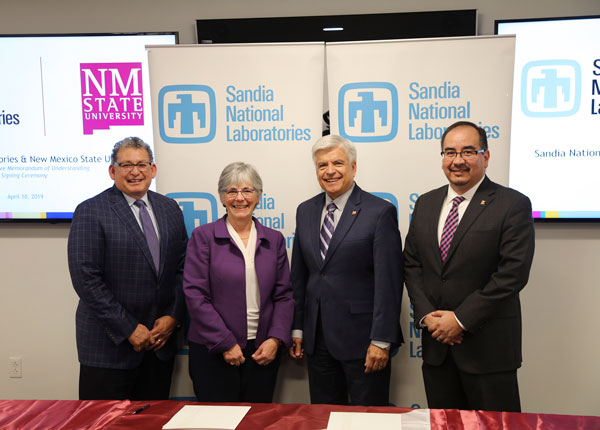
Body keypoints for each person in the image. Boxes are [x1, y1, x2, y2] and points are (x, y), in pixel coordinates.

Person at [403, 120, 535, 412]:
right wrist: (427, 316)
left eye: (467, 152)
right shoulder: (425, 203)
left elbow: (512, 274)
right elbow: (412, 264)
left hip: (488, 351)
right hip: (437, 350)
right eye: (449, 152)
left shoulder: (512, 204)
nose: (458, 160)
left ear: (485, 157)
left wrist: (460, 319)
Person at [67, 136, 188, 400]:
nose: (135, 171)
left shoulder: (170, 209)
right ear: (112, 171)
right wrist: (128, 328)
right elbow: (86, 279)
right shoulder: (91, 211)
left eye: (142, 164)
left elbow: (182, 269)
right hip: (109, 348)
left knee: (153, 423)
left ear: (153, 170)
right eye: (126, 165)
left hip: (159, 346)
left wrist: (173, 316)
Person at [289, 134, 404, 406]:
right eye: (322, 165)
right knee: (323, 417)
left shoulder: (379, 212)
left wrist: (381, 341)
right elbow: (300, 277)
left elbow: (389, 282)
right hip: (317, 342)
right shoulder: (305, 211)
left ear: (353, 167)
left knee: (370, 421)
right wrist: (297, 329)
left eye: (337, 163)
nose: (330, 171)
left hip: (364, 342)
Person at [183, 162, 294, 403]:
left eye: (248, 190)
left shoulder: (273, 240)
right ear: (222, 198)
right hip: (213, 351)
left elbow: (284, 295)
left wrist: (275, 339)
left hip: (262, 352)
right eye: (231, 191)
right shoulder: (203, 237)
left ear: (259, 196)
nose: (240, 198)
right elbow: (195, 295)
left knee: (257, 422)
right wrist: (224, 342)